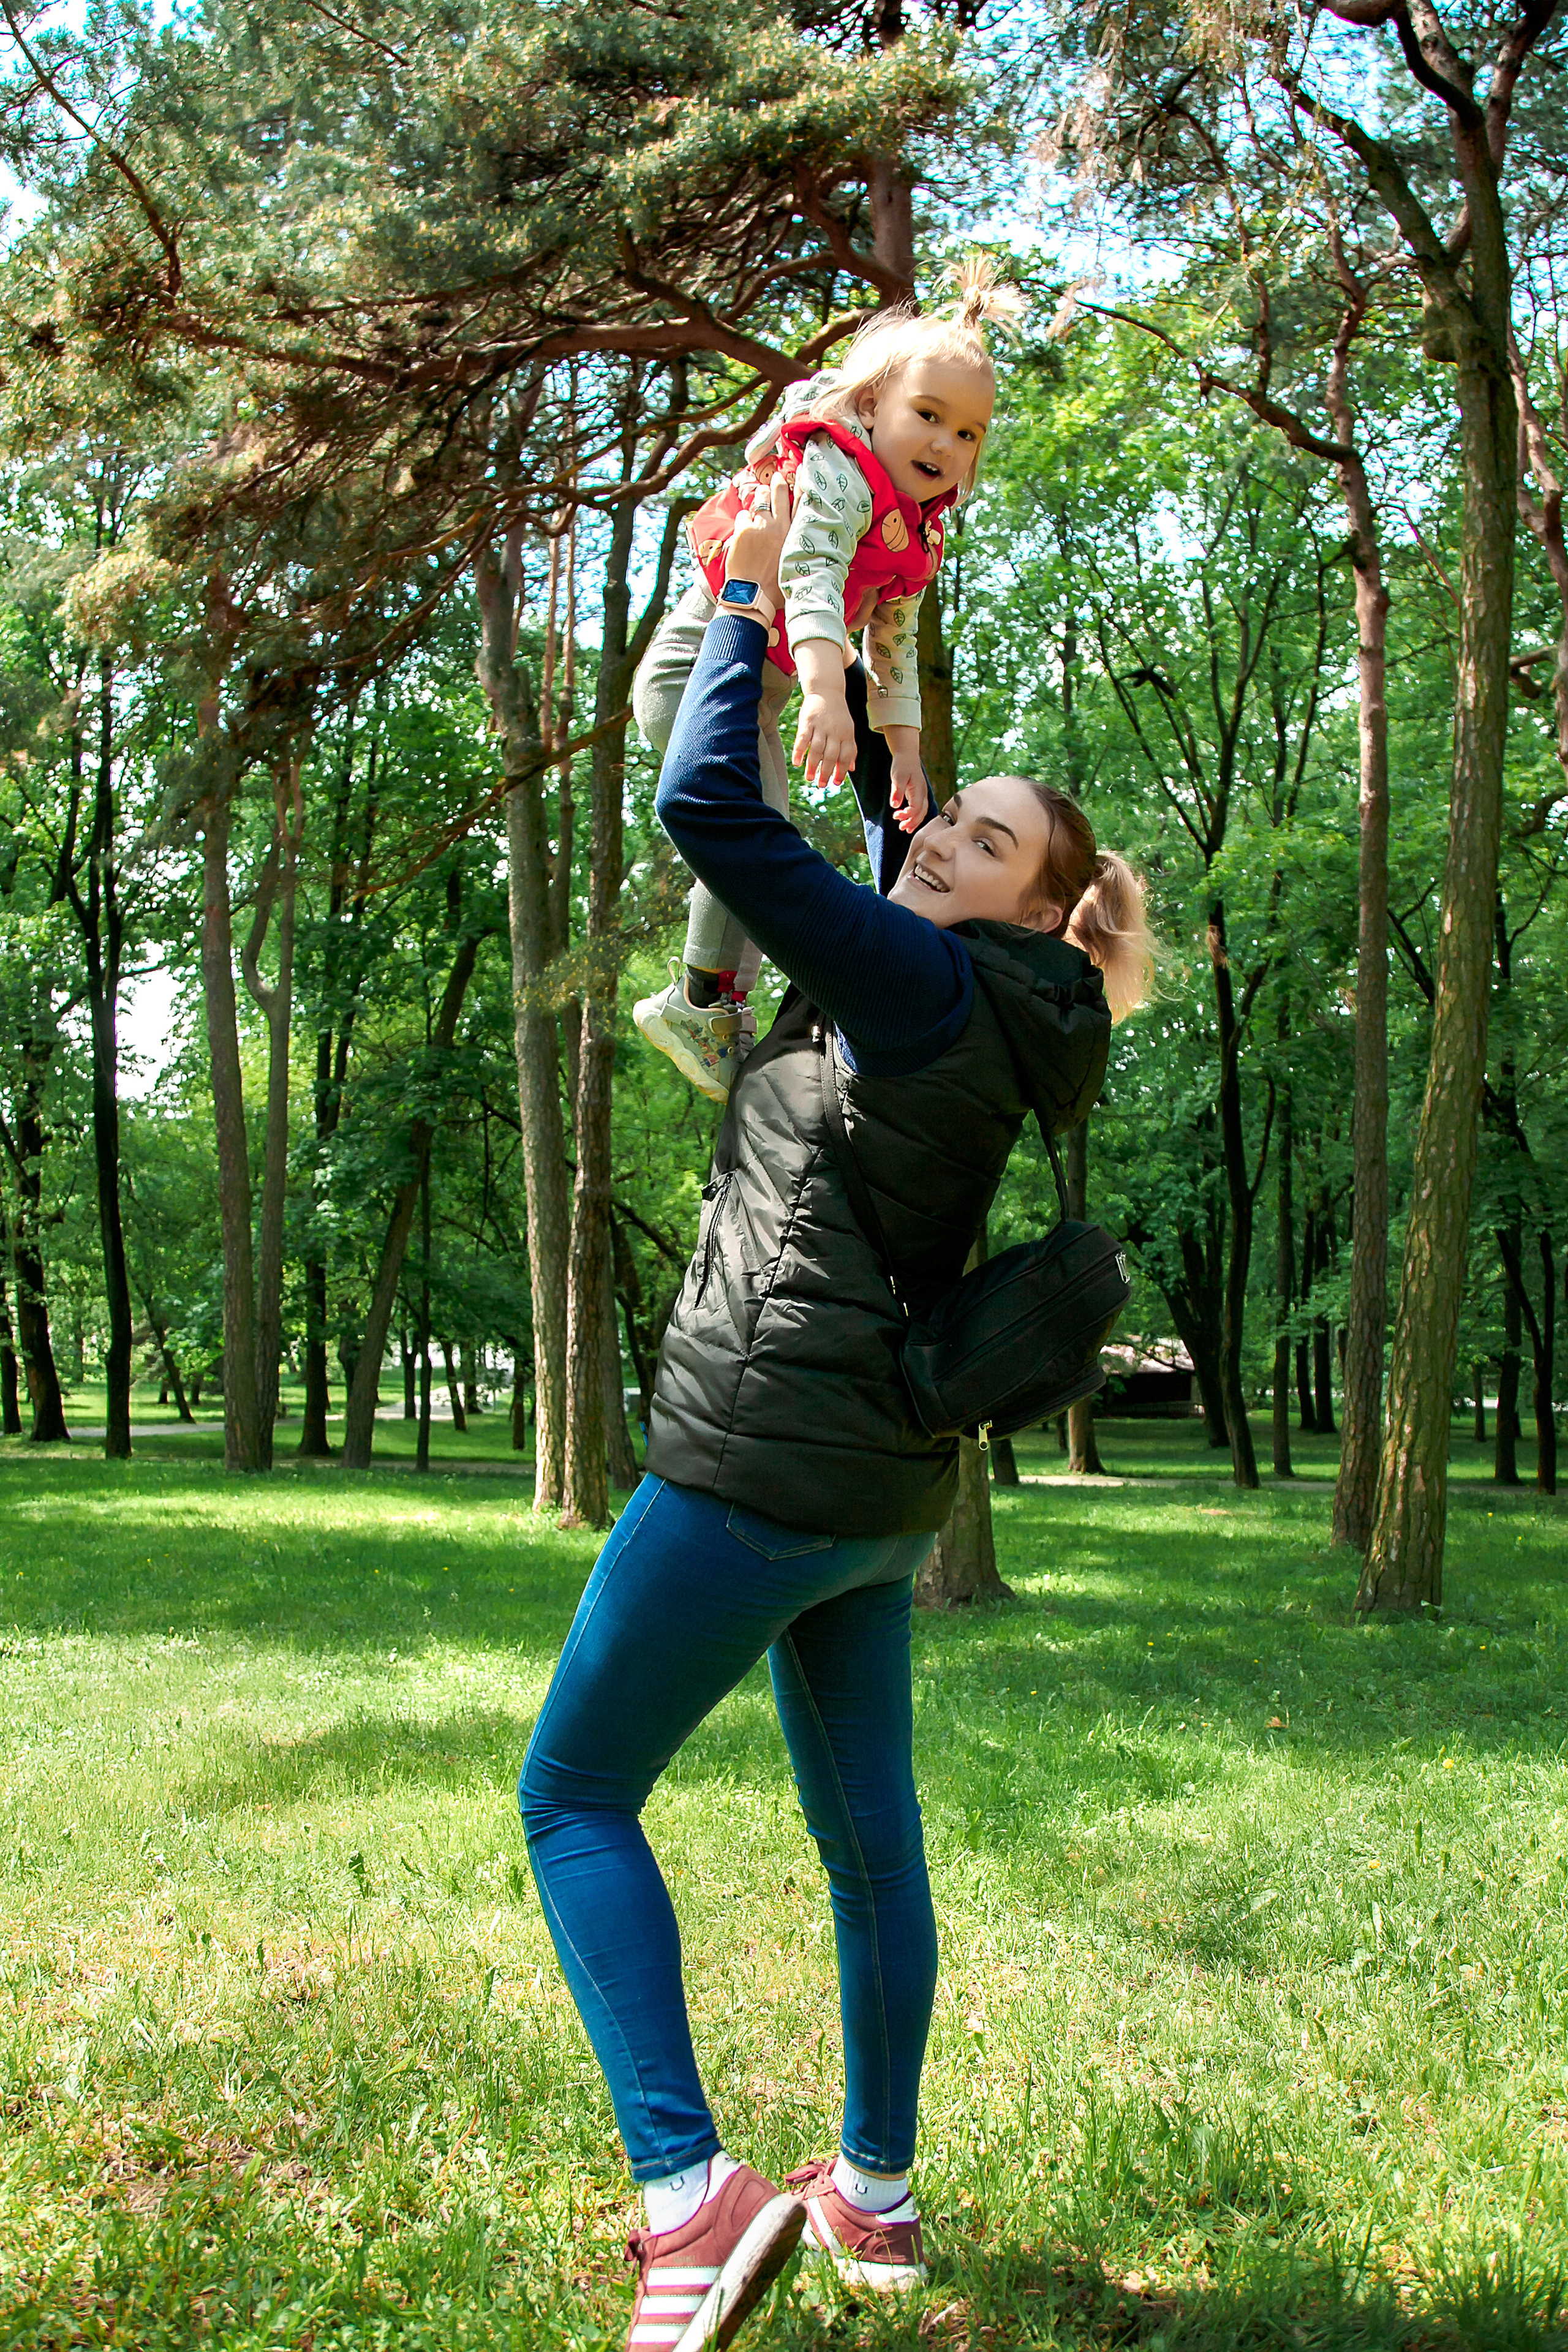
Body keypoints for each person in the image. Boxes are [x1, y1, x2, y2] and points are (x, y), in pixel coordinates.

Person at [519, 477, 1153, 2352]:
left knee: (571, 1796)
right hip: (876, 1488)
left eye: (980, 840)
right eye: (945, 823)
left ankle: (687, 2196)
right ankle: (869, 2201)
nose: (939, 839)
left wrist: (737, 591)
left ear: (1029, 908)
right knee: (870, 1846)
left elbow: (705, 807)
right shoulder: (998, 997)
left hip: (758, 1471)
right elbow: (854, 832)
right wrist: (859, 701)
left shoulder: (918, 977)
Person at [630, 258, 1025, 1103]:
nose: (945, 446)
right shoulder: (838, 476)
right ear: (874, 403)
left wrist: (906, 751)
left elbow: (893, 644)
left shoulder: (919, 529)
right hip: (695, 667)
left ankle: (707, 1000)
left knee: (764, 826)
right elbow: (807, 576)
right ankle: (699, 1000)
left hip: (764, 684)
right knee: (754, 825)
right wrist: (819, 691)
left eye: (968, 434)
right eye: (928, 415)